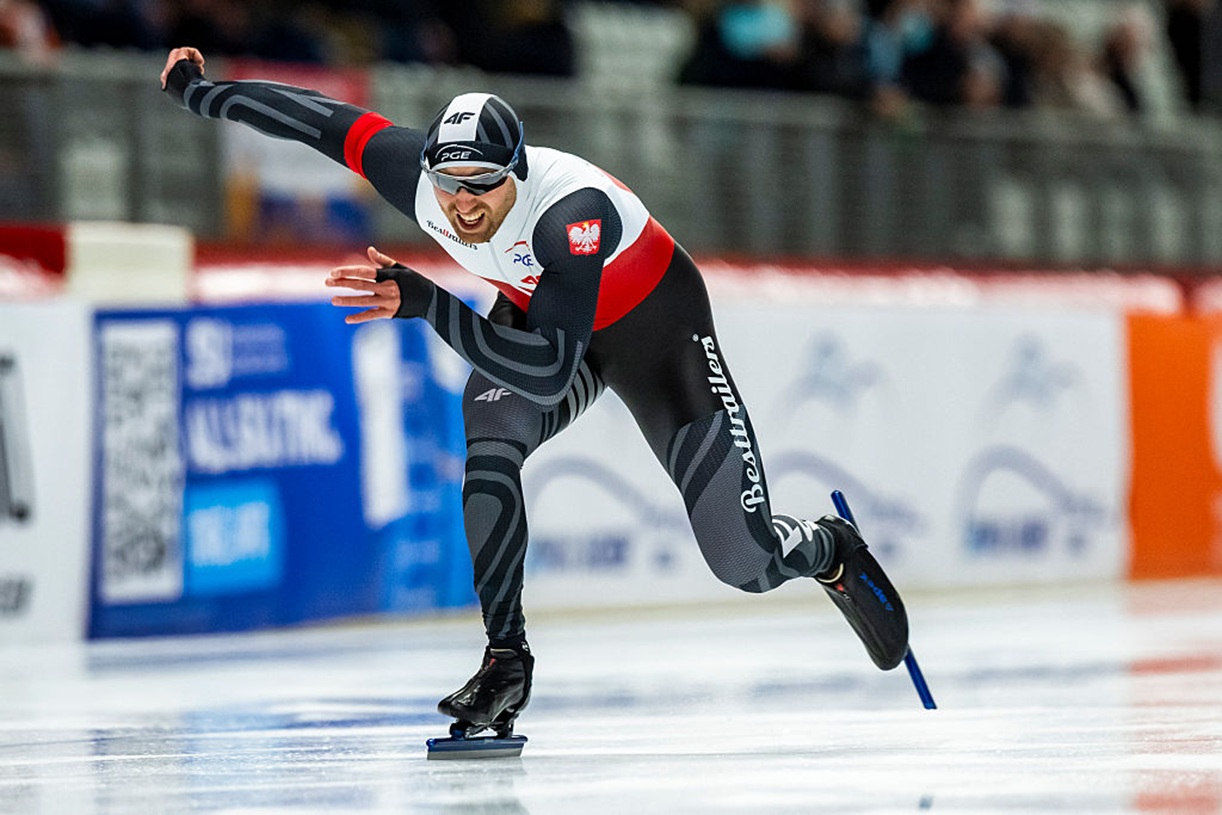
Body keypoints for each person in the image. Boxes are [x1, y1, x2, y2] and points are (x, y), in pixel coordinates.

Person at [160, 46, 911, 740]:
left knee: (743, 562)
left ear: (516, 173)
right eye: (449, 186)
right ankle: (505, 659)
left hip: (659, 342)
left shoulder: (569, 213)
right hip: (543, 319)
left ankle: (827, 548)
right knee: (488, 446)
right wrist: (202, 93)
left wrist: (430, 303)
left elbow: (550, 370)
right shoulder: (418, 179)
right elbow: (318, 120)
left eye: (483, 185)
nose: (463, 205)